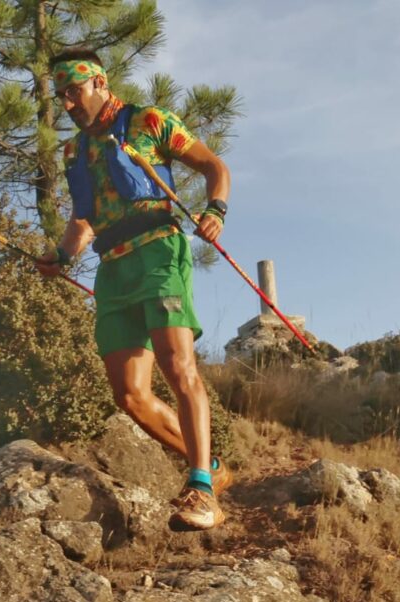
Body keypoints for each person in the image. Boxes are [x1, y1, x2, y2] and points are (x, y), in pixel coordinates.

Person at [37, 48, 232, 530]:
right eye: (59, 95)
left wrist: (215, 211)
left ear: (99, 82)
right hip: (112, 267)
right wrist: (63, 255)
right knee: (130, 396)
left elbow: (214, 167)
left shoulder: (148, 121)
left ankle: (202, 492)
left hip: (159, 251)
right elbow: (83, 218)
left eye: (73, 91)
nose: (67, 103)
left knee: (177, 364)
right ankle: (209, 465)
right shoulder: (73, 152)